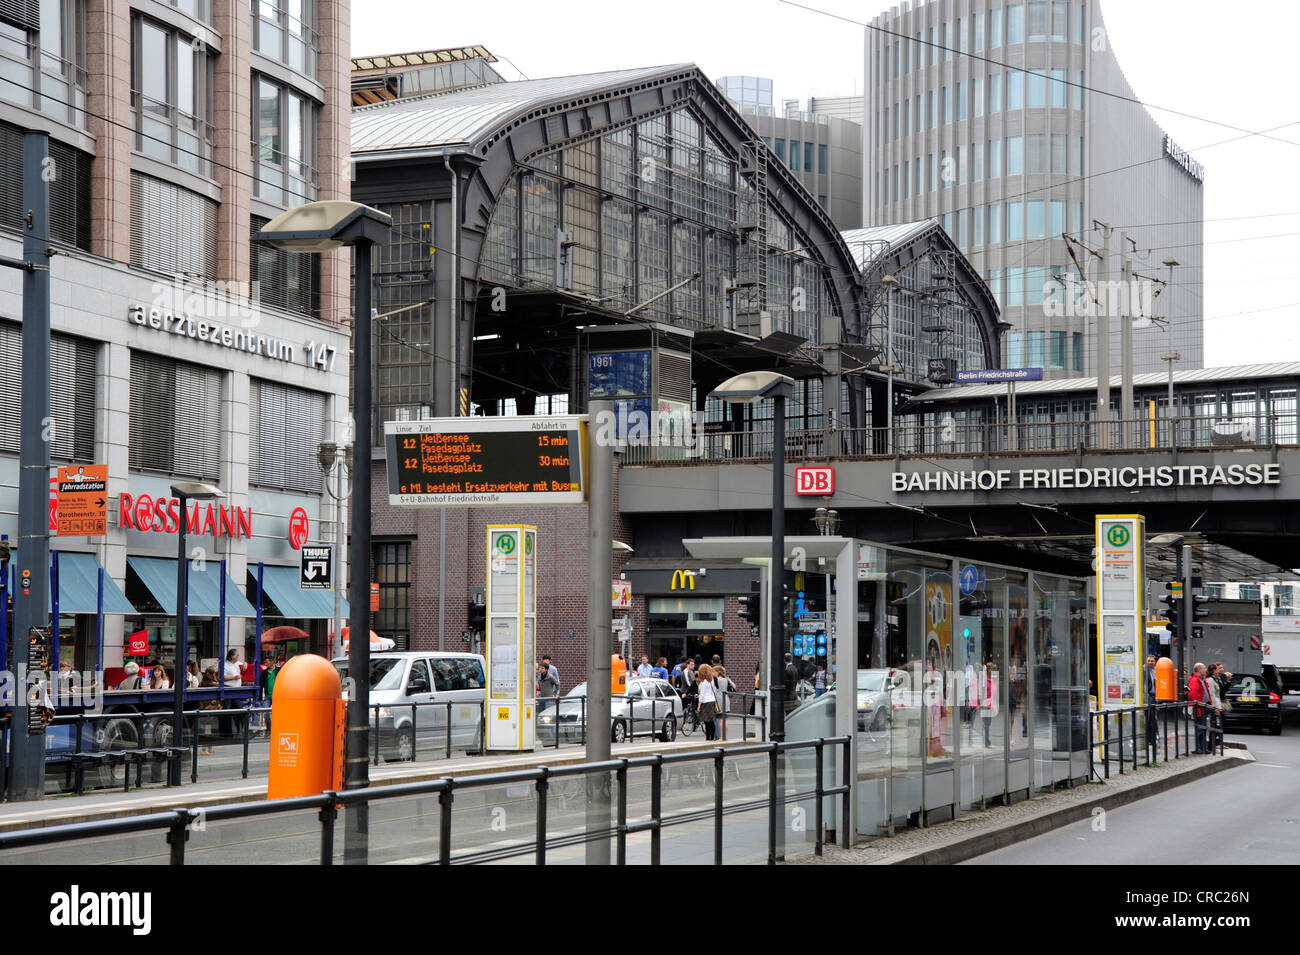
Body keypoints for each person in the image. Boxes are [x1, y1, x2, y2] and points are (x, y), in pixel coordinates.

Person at [1188, 662, 1212, 754]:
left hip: (1203, 706)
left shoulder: (1202, 679)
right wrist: (1201, 704)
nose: (1205, 670)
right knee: (1200, 728)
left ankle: (1202, 747)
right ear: (1199, 670)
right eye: (1204, 668)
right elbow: (1193, 695)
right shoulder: (1195, 680)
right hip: (1199, 707)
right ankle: (1199, 747)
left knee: (1203, 727)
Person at [696, 663, 718, 740]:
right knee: (712, 721)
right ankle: (712, 737)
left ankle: (708, 737)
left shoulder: (703, 682)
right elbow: (715, 691)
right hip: (713, 701)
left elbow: (702, 695)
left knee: (706, 721)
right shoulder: (712, 680)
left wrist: (699, 705)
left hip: (706, 702)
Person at [980, 662, 998, 747]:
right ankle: (987, 742)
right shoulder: (984, 680)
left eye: (992, 668)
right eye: (990, 668)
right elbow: (982, 691)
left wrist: (995, 705)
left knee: (988, 724)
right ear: (987, 669)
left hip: (991, 705)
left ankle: (986, 740)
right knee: (986, 724)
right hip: (985, 704)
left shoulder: (993, 680)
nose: (991, 670)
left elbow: (994, 694)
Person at [714, 665, 734, 740]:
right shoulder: (726, 679)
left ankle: (721, 737)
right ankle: (725, 736)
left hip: (719, 701)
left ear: (718, 672)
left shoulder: (717, 680)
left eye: (714, 671)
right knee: (725, 719)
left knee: (720, 720)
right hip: (726, 700)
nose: (713, 673)